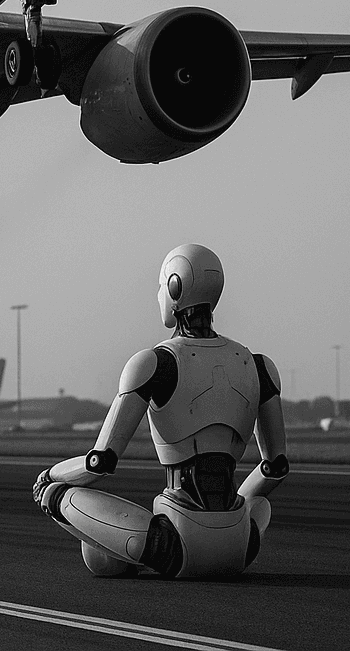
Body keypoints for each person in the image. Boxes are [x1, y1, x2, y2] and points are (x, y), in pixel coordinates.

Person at [31, 243, 289, 578]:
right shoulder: (258, 365)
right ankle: (227, 526)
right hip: (240, 547)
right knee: (257, 503)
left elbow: (100, 461)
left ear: (174, 287)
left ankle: (71, 509)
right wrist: (229, 514)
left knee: (56, 496)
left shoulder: (156, 363)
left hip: (175, 546)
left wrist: (49, 478)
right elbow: (275, 467)